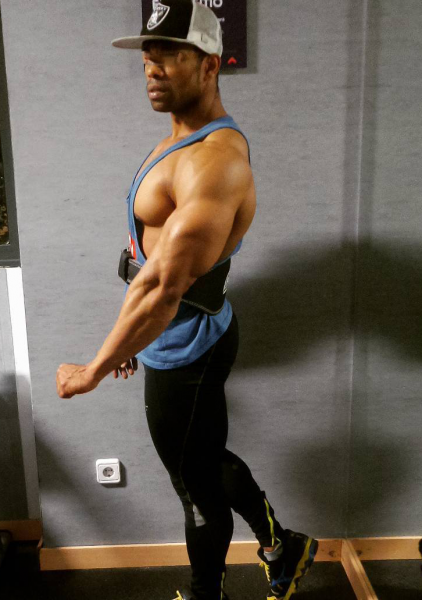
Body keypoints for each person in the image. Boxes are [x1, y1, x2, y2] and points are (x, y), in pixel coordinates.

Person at [56, 1, 318, 599]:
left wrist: (94, 368)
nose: (152, 68)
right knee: (202, 459)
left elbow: (164, 287)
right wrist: (133, 333)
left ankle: (209, 592)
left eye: (171, 55)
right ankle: (284, 546)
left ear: (210, 65)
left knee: (193, 483)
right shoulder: (176, 143)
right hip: (177, 328)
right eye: (149, 56)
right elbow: (150, 264)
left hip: (186, 339)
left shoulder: (214, 163)